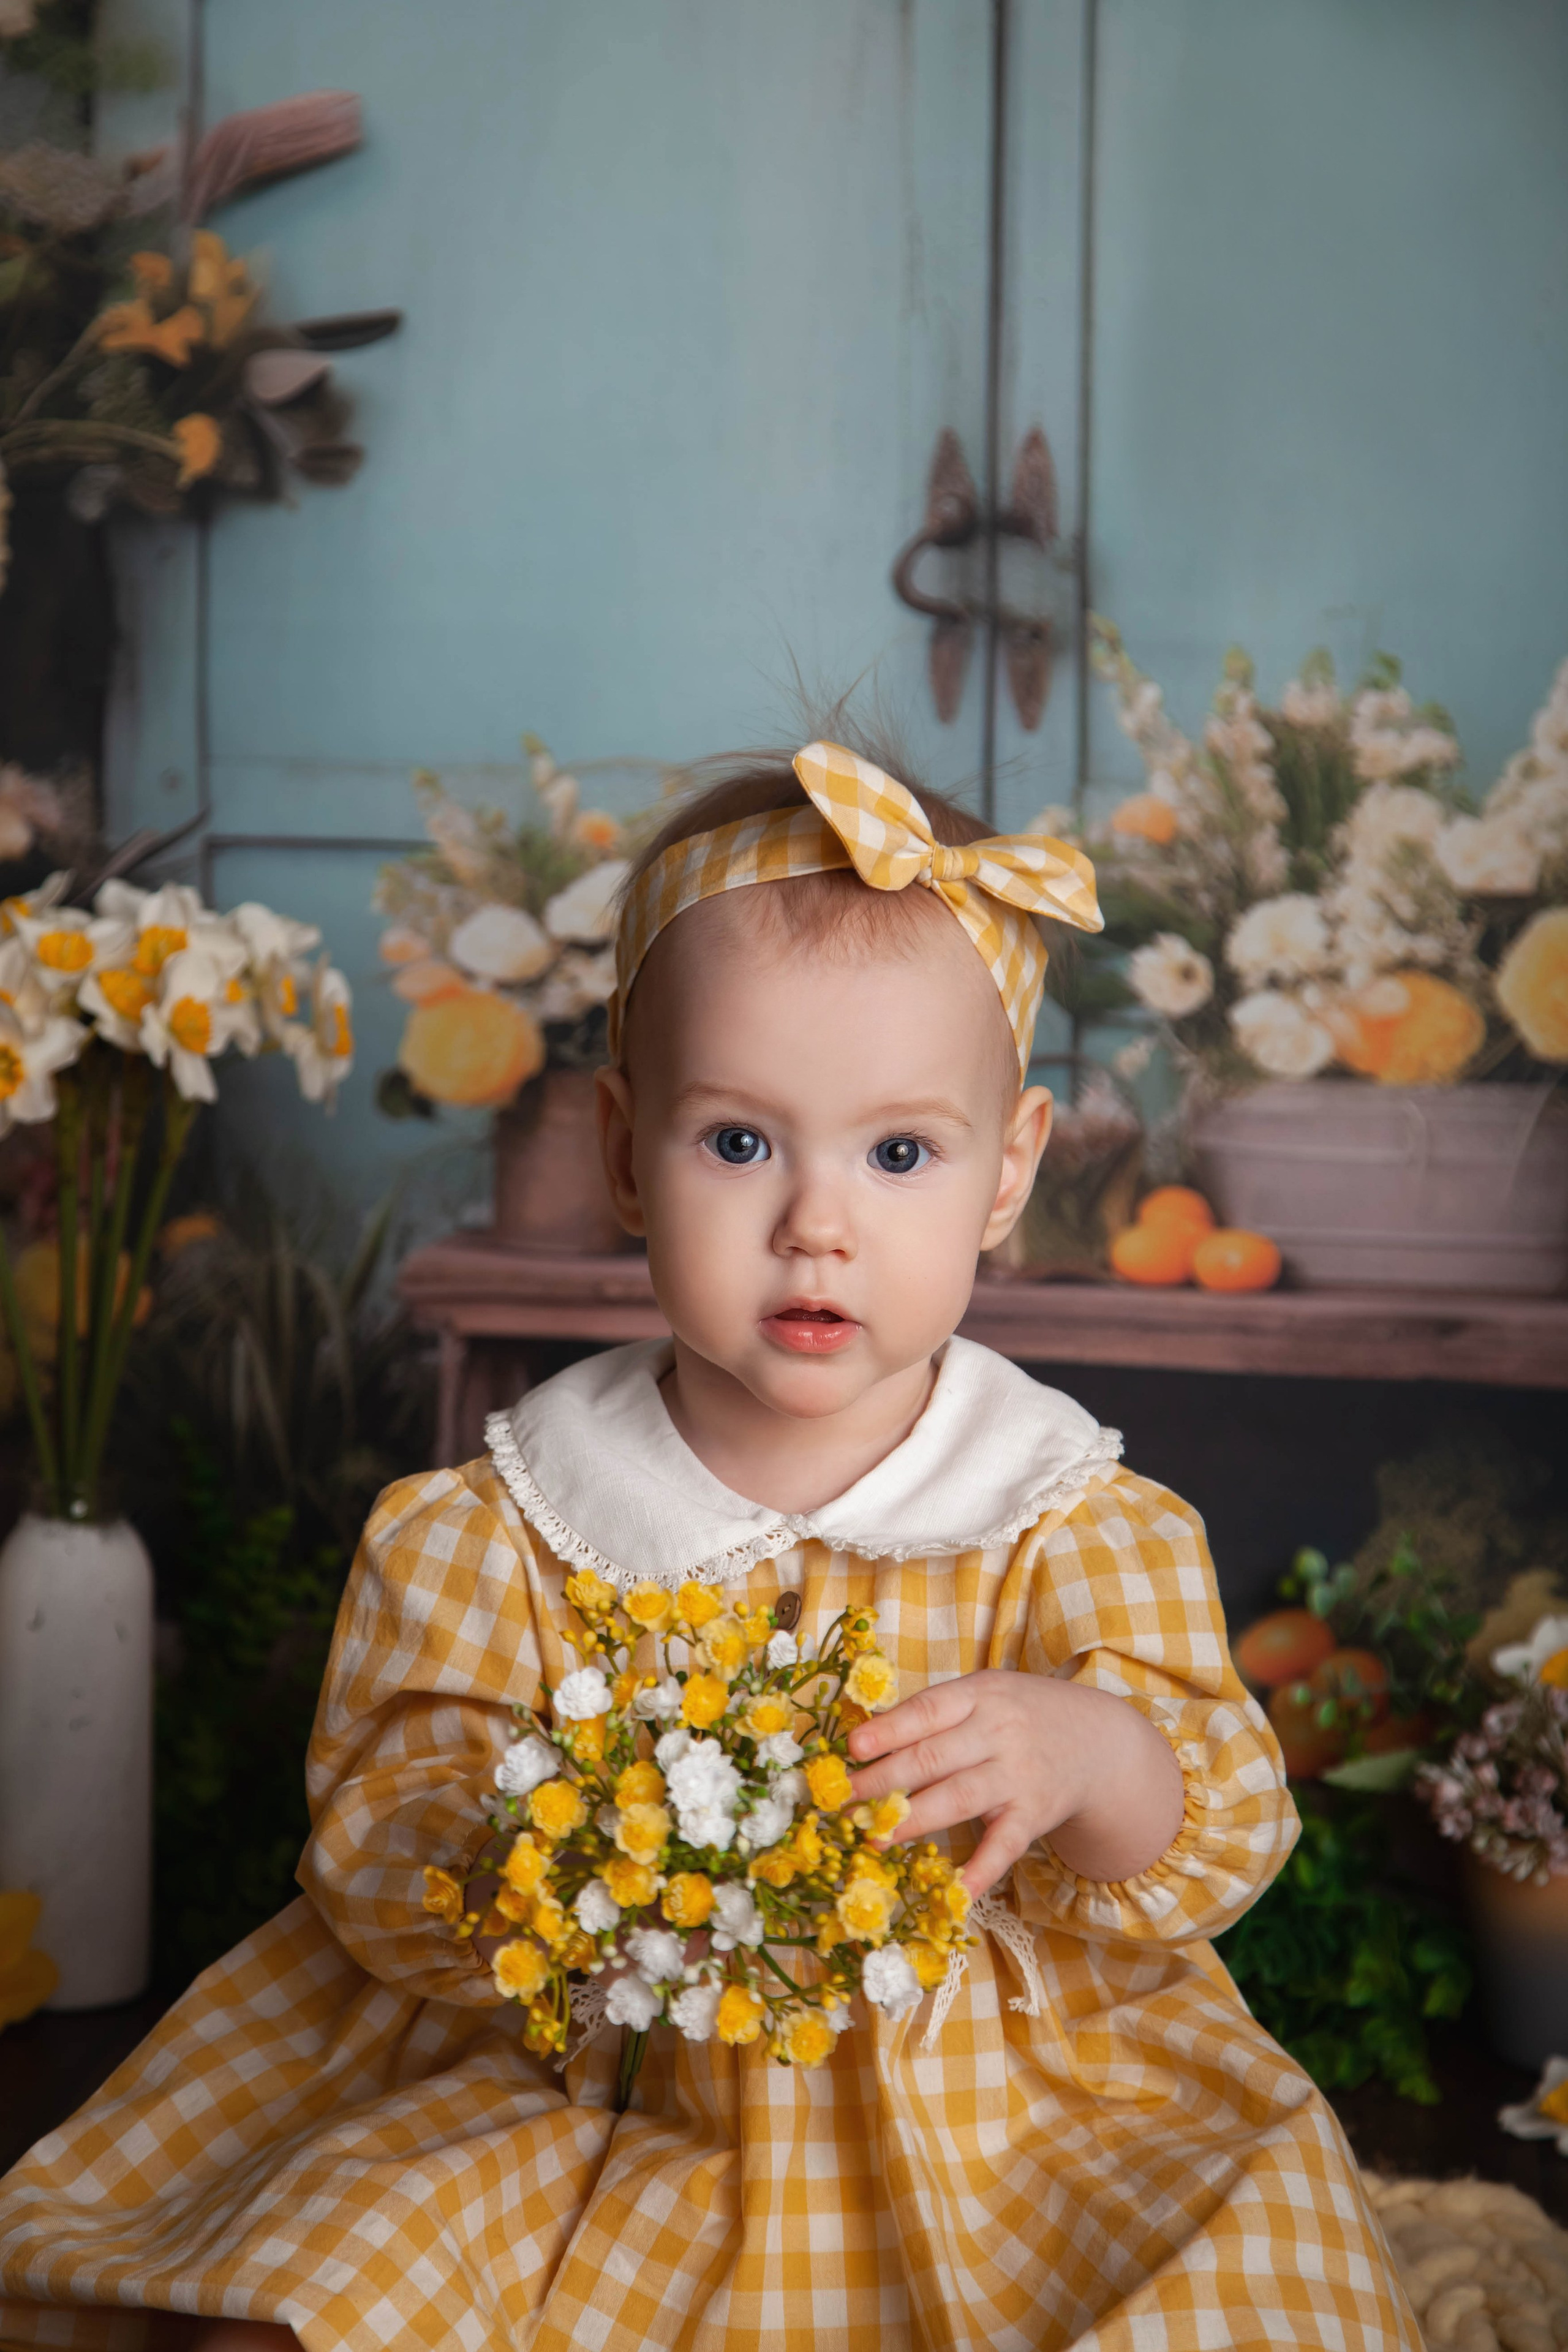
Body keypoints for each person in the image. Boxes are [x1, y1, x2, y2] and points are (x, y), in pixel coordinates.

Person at [0, 737, 1417, 2351]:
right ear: (623, 1149)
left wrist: (1086, 1752)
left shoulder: (1069, 1517)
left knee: (1230, 2238)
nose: (818, 1221)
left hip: (1000, 2106)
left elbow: (1221, 1829)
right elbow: (381, 1836)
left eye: (899, 1154)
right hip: (579, 2080)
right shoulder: (503, 1524)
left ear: (1009, 1172)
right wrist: (544, 1856)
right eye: (740, 1143)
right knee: (349, 2271)